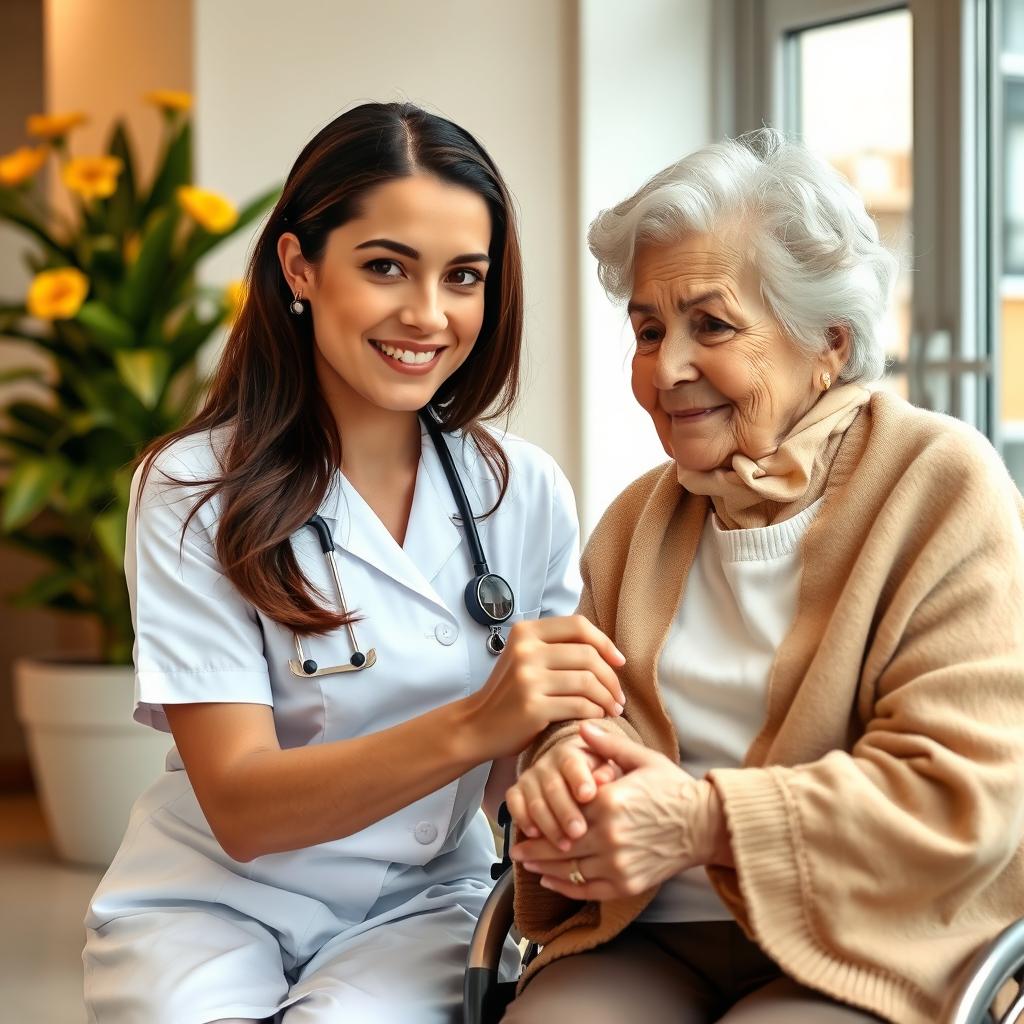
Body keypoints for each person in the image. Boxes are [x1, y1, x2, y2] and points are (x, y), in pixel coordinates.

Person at [83, 101, 627, 1024]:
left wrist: (562, 764)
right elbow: (245, 807)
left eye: (464, 277)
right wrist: (479, 721)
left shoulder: (523, 492)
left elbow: (526, 763)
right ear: (300, 266)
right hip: (213, 897)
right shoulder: (191, 488)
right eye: (386, 267)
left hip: (421, 905)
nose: (428, 315)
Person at [503, 128, 1024, 1024]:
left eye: (711, 324)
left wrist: (703, 821)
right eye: (648, 329)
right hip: (649, 932)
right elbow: (580, 726)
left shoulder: (940, 485)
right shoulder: (638, 519)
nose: (667, 369)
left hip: (868, 943)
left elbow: (961, 793)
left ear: (826, 341)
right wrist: (556, 770)